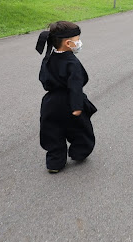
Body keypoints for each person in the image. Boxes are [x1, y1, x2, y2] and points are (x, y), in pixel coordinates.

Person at [35, 21, 96, 173]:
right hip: (70, 101)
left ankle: (54, 162)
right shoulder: (72, 62)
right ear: (68, 43)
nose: (79, 42)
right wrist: (77, 106)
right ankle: (79, 152)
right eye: (77, 39)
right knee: (81, 129)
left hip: (50, 103)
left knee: (52, 131)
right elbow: (75, 85)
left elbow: (43, 78)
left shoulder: (48, 58)